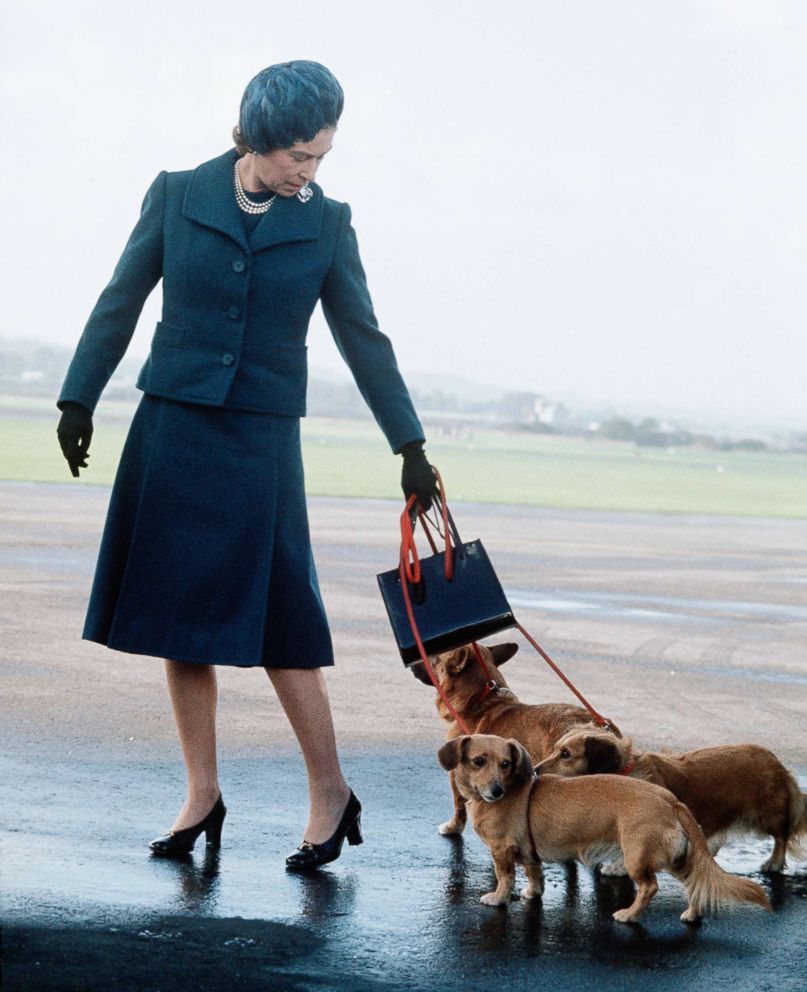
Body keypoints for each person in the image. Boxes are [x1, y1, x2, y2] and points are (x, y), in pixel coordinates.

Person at [56, 61, 437, 870]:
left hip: (260, 441)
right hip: (173, 427)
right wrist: (77, 397)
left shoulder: (328, 224)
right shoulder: (177, 193)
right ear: (256, 138)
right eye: (300, 155)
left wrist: (409, 445)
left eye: (321, 157)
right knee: (175, 618)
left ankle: (330, 791)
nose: (311, 170)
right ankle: (202, 793)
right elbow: (120, 297)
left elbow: (363, 337)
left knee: (282, 625)